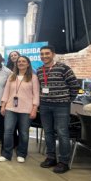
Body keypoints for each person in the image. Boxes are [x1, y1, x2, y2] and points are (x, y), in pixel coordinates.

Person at [37, 45, 79, 174]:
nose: (44, 56)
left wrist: (67, 100)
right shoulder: (39, 70)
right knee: (48, 132)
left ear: (53, 54)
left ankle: (64, 162)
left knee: (62, 132)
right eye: (42, 54)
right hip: (44, 105)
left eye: (47, 53)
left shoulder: (63, 68)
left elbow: (74, 86)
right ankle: (51, 157)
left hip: (61, 106)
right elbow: (40, 87)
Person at [0, 56, 39, 163]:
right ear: (16, 64)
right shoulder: (11, 76)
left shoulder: (33, 77)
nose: (21, 63)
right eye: (19, 61)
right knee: (8, 131)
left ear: (28, 64)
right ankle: (6, 154)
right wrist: (3, 105)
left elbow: (36, 94)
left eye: (23, 61)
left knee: (23, 133)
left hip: (26, 109)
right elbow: (6, 92)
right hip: (10, 108)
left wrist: (34, 108)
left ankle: (21, 153)